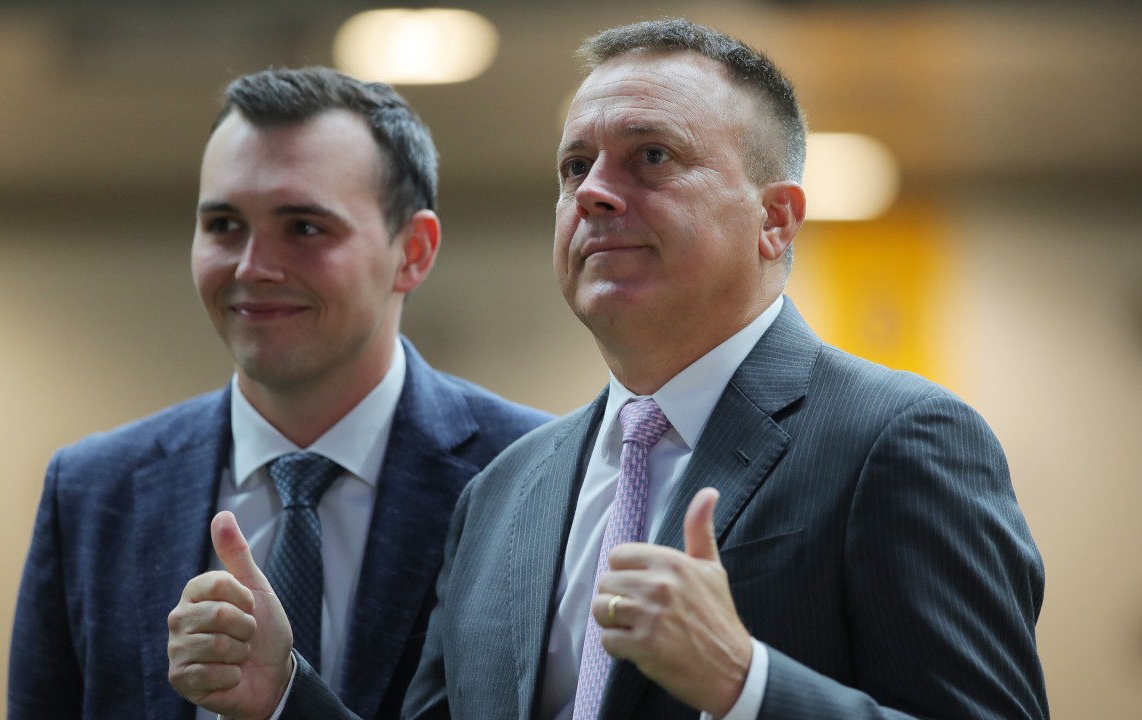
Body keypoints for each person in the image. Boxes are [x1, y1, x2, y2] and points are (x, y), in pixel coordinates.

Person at [171, 19, 1049, 720]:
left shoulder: (899, 439)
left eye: (651, 157)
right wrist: (285, 695)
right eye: (574, 166)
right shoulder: (505, 489)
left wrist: (746, 686)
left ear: (776, 221)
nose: (592, 190)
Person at [8, 67, 550, 720]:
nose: (252, 267)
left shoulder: (531, 475)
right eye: (224, 225)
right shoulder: (94, 492)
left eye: (304, 228)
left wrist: (285, 701)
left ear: (413, 251)